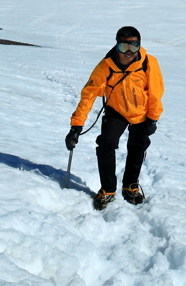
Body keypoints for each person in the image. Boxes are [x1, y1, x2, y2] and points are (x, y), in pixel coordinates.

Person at [66, 26, 164, 210]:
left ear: (139, 46)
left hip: (141, 113)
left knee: (138, 148)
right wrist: (76, 126)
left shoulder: (149, 63)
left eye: (133, 47)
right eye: (123, 47)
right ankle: (108, 189)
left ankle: (130, 186)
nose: (128, 52)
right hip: (116, 111)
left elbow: (155, 92)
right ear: (116, 46)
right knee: (106, 144)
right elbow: (88, 95)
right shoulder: (105, 66)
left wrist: (153, 118)